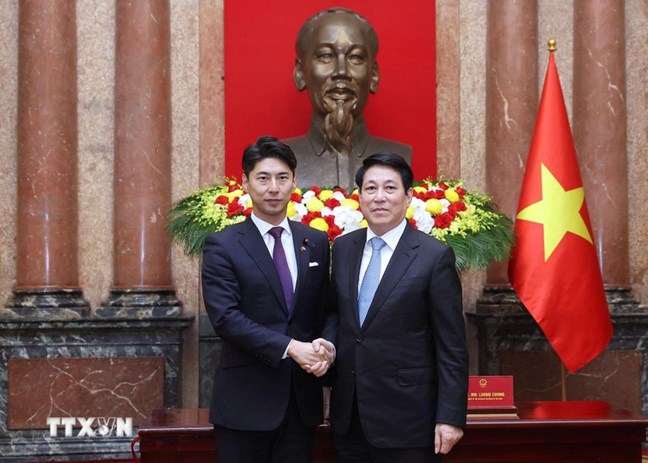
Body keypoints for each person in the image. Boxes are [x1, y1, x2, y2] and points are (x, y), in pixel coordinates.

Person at [323, 152, 468, 462]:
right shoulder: (345, 247)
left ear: (408, 196)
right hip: (350, 416)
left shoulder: (433, 256)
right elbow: (336, 312)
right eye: (370, 188)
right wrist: (328, 346)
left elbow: (452, 345)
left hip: (409, 419)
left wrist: (450, 416)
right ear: (359, 196)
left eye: (390, 188)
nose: (379, 197)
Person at [201, 136, 336, 462]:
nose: (273, 188)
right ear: (245, 182)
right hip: (245, 405)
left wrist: (328, 346)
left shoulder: (315, 241)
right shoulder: (223, 245)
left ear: (294, 182)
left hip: (300, 405)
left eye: (282, 177)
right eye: (263, 178)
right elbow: (226, 318)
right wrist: (290, 347)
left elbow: (328, 308)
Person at [284, 8, 412, 190]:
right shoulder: (278, 161)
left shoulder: (401, 156)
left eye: (355, 57)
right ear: (300, 73)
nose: (341, 71)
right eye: (326, 56)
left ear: (374, 75)